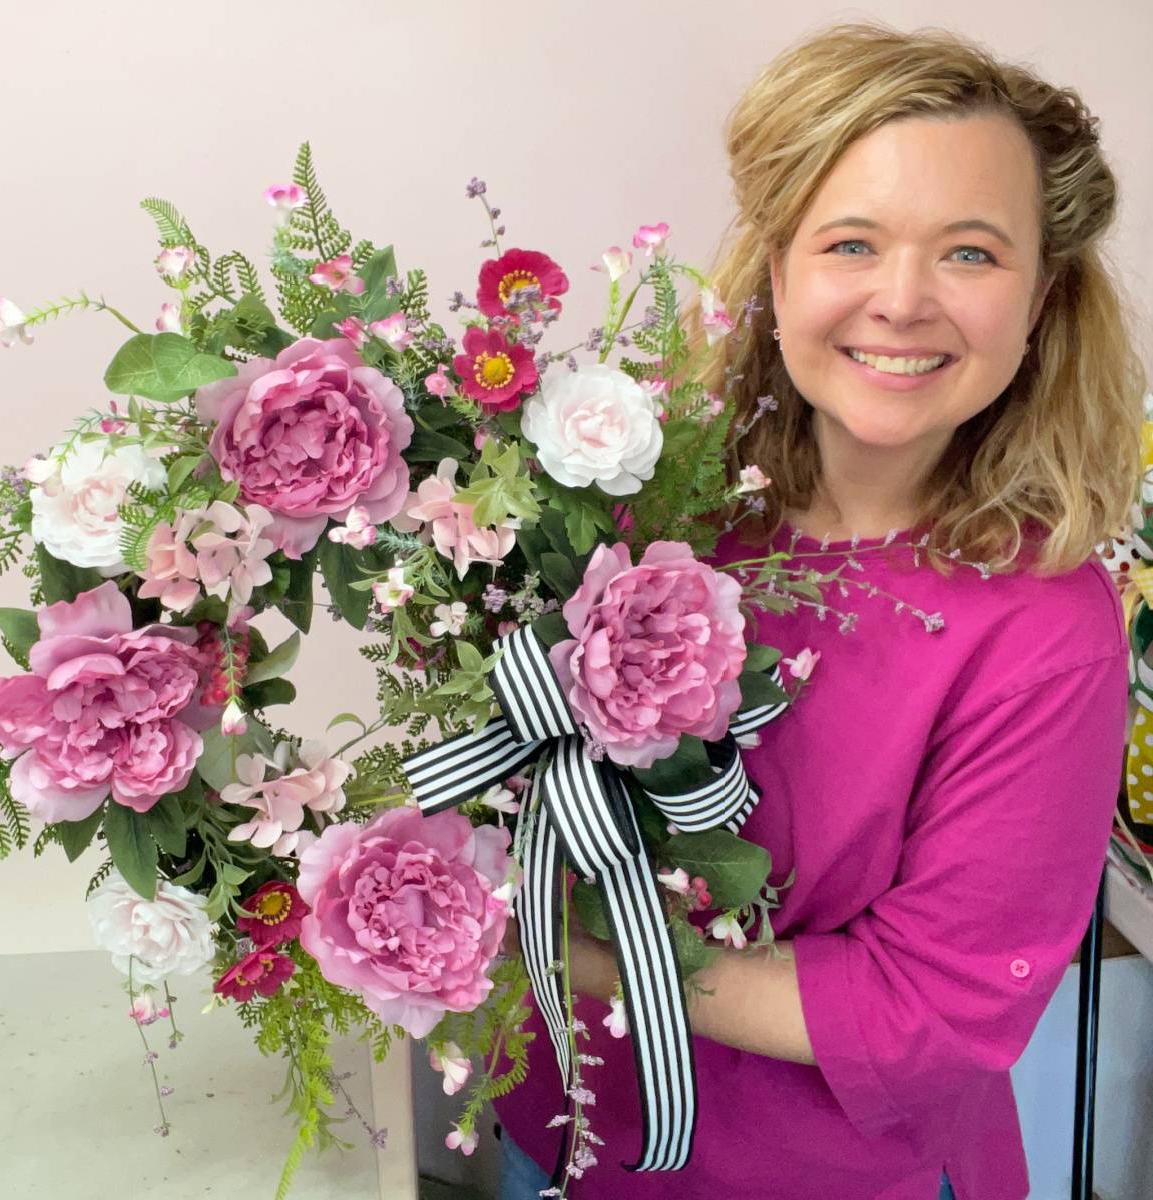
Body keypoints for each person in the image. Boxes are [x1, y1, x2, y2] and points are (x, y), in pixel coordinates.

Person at [491, 17, 1148, 1200]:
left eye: (970, 253)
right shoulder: (649, 498)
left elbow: (924, 1011)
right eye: (852, 242)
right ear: (778, 268)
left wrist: (586, 955)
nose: (902, 301)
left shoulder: (1047, 631)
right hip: (554, 1132)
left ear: (1041, 299)